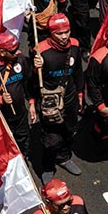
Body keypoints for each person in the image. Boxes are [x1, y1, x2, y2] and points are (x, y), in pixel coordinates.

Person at [33, 13, 84, 182]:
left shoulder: (75, 46)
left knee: (69, 130)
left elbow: (77, 72)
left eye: (67, 32)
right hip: (50, 102)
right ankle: (47, 166)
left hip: (69, 97)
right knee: (51, 138)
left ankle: (64, 157)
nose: (64, 37)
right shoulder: (40, 52)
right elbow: (30, 83)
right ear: (50, 33)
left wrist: (80, 94)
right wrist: (35, 69)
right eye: (59, 33)